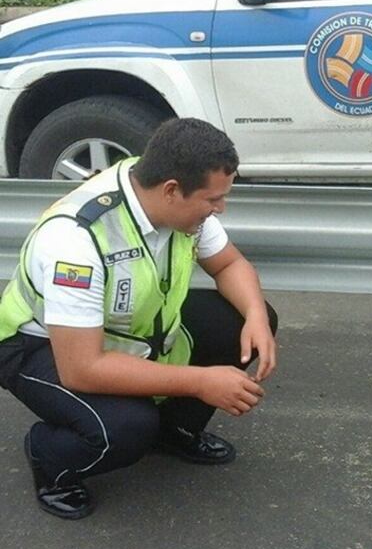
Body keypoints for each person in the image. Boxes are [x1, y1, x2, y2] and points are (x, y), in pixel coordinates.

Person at [0, 118, 278, 519]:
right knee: (128, 426)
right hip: (38, 345)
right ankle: (51, 458)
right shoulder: (76, 241)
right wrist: (202, 382)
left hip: (123, 329)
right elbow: (82, 368)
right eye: (213, 200)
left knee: (244, 322)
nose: (220, 208)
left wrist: (254, 315)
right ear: (171, 191)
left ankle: (173, 430)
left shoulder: (167, 188)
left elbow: (229, 264)